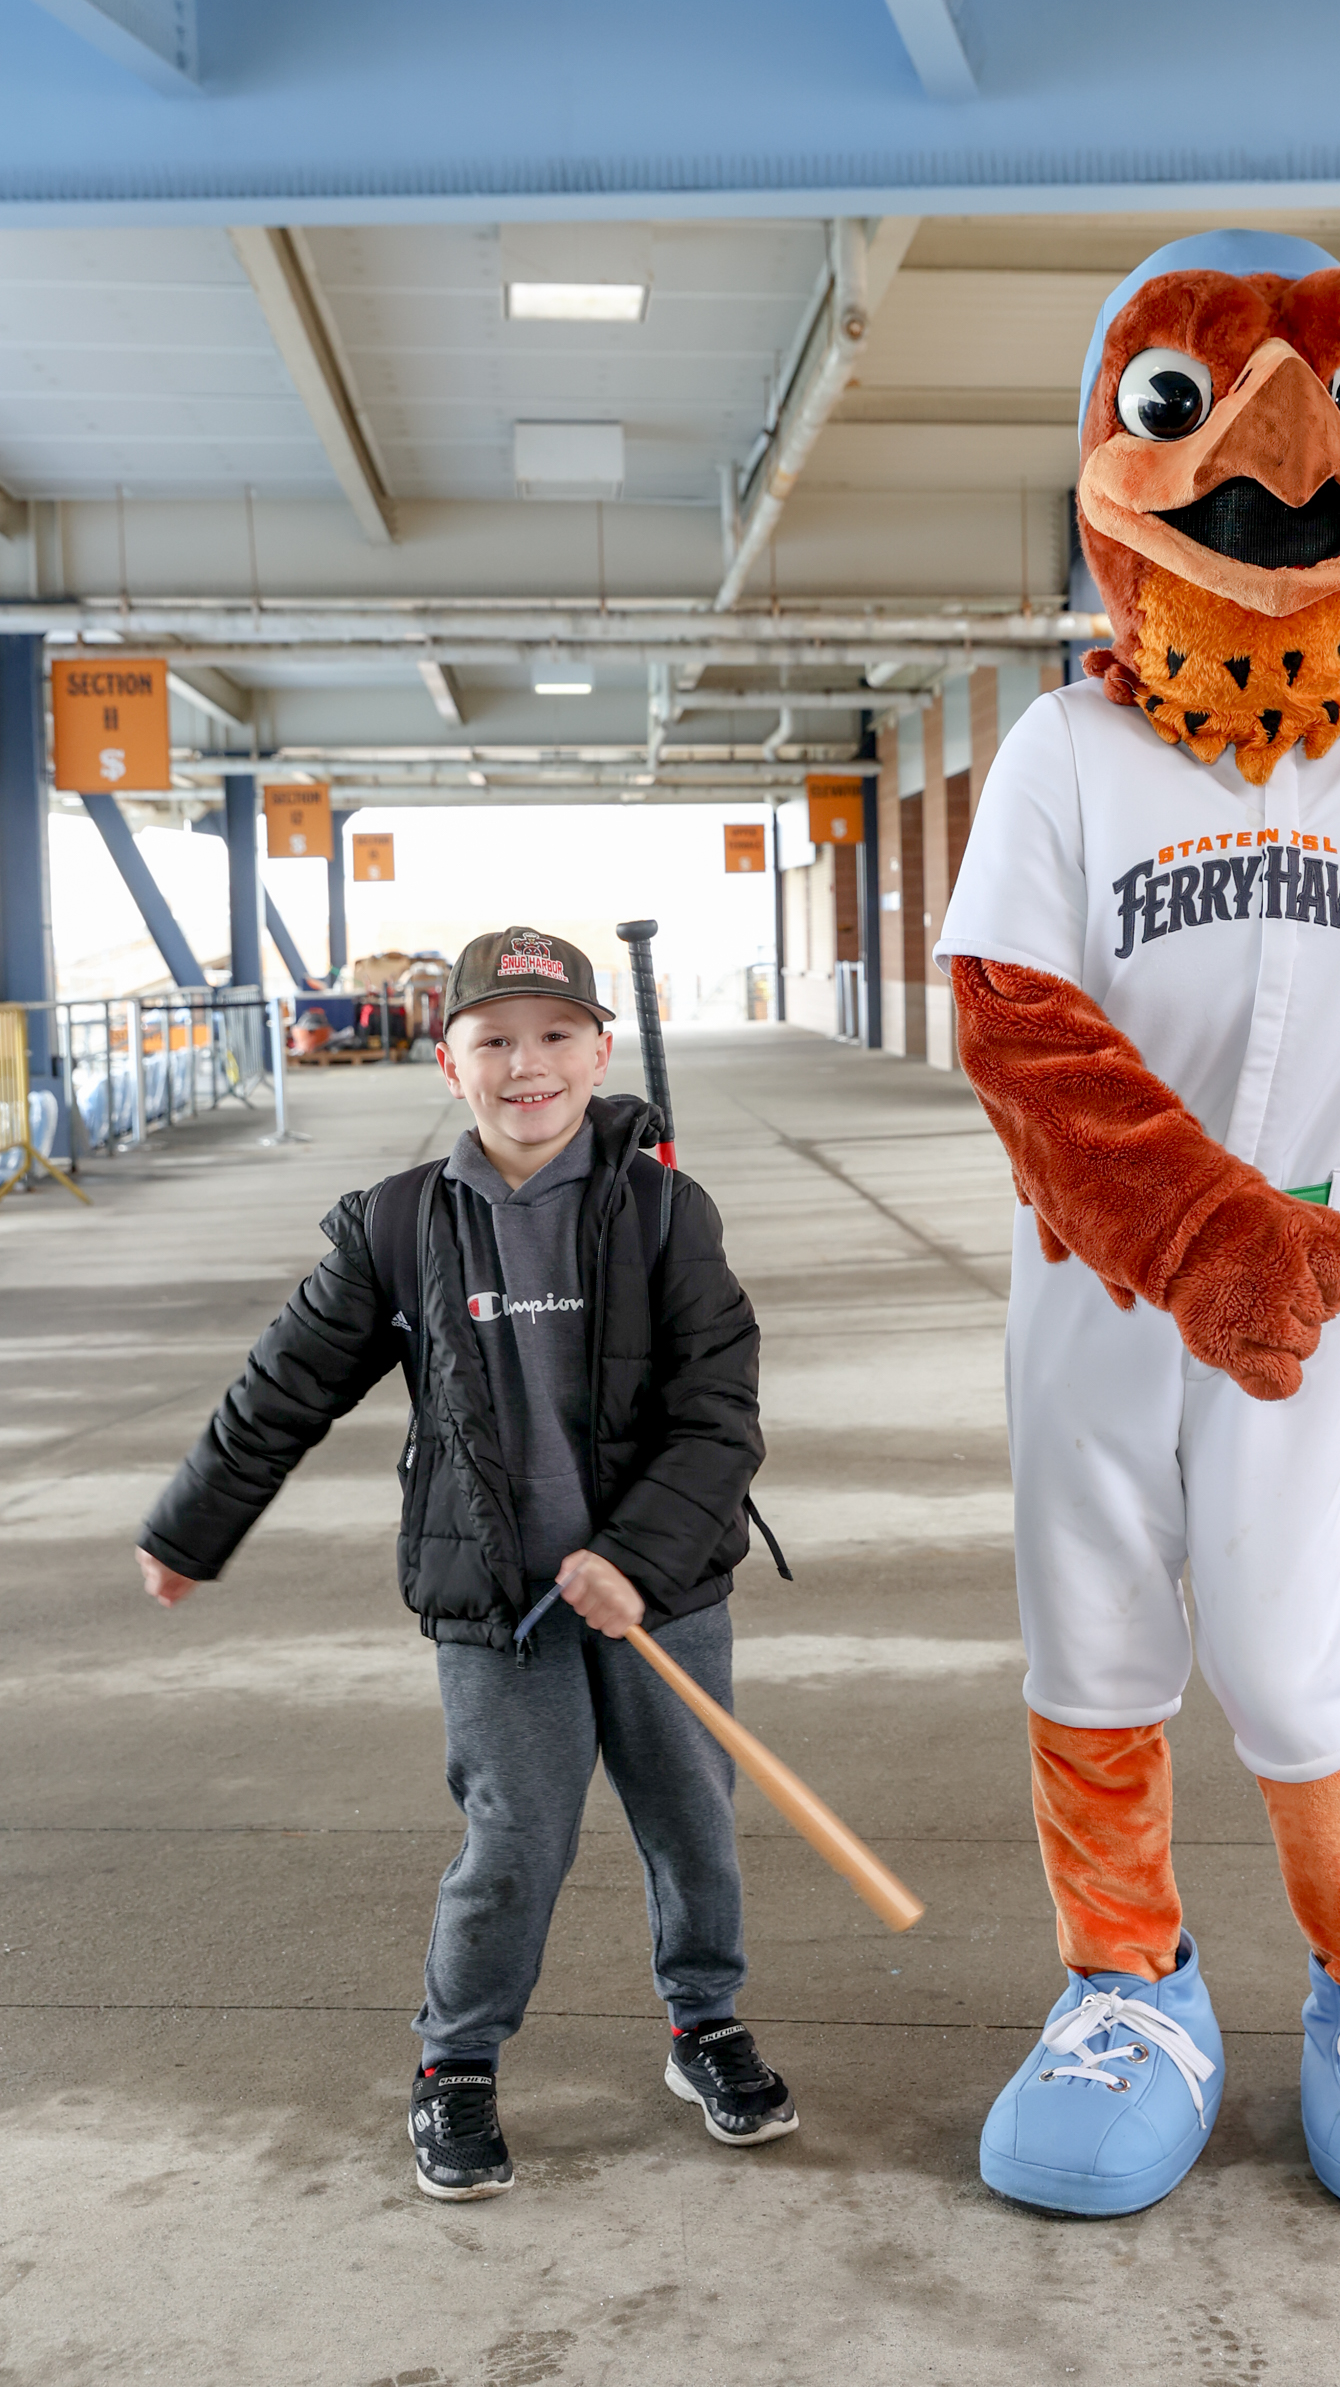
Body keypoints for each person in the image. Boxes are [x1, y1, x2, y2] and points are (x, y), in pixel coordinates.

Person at [135, 924, 796, 2200]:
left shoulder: (665, 1211)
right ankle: (458, 2066)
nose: (526, 1065)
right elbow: (283, 1389)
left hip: (663, 1594)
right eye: (493, 1040)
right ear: (450, 1063)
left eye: (554, 1038)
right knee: (513, 1840)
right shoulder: (396, 1227)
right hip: (497, 1606)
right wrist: (188, 1526)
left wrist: (637, 1562)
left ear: (599, 1051)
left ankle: (703, 2024)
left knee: (692, 1826)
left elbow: (721, 1414)